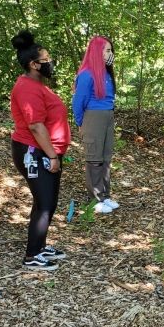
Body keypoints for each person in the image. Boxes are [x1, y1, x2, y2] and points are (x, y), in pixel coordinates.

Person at [10, 31, 70, 270]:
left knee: (47, 202)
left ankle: (41, 246)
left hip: (45, 151)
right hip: (34, 152)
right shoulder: (26, 88)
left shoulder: (38, 85)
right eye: (46, 59)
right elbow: (35, 125)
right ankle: (32, 255)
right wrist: (52, 155)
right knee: (44, 203)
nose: (50, 63)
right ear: (33, 64)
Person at [71, 36, 119, 213]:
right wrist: (80, 123)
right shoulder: (86, 74)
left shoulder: (106, 73)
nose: (110, 54)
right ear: (96, 52)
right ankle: (95, 198)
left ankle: (105, 196)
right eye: (107, 50)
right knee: (94, 158)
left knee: (106, 158)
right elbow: (78, 102)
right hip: (93, 117)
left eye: (110, 50)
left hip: (107, 115)